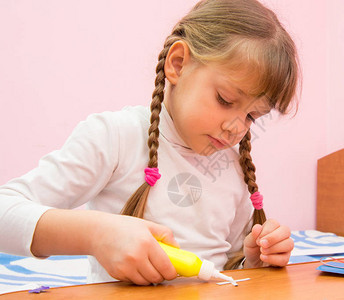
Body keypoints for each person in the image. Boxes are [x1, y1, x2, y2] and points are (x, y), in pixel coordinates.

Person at [0, 0, 299, 285]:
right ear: (178, 64)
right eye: (225, 100)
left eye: (253, 116)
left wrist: (253, 261)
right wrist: (96, 234)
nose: (236, 128)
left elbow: (225, 266)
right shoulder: (115, 137)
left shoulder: (232, 167)